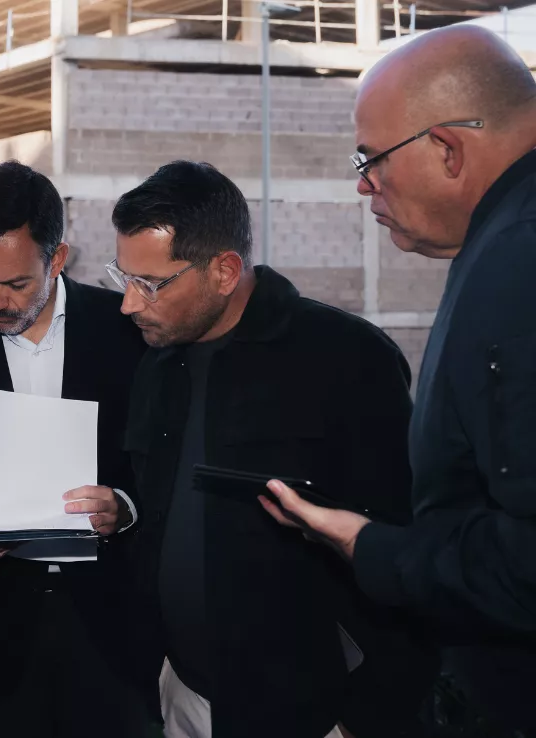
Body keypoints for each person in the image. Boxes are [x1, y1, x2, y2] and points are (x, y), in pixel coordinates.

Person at [261, 24, 536, 732]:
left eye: (370, 157)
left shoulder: (518, 262)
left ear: (448, 148)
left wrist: (366, 545)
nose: (362, 183)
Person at [113, 160, 437, 738]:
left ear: (224, 270)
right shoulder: (155, 364)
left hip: (311, 715)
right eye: (124, 278)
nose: (129, 305)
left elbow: (409, 545)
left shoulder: (347, 359)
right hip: (181, 695)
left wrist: (367, 716)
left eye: (150, 284)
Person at [0, 161, 150, 737]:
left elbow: (160, 465)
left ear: (57, 258)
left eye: (15, 284)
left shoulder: (129, 332)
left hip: (114, 637)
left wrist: (124, 507)